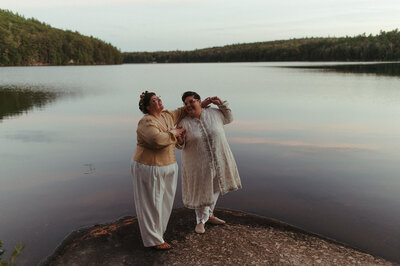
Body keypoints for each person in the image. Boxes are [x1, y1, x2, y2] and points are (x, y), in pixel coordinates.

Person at [177, 91, 242, 234]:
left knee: (216, 186)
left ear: (199, 102)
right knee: (202, 190)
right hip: (198, 164)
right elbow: (179, 145)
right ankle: (200, 221)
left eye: (191, 101)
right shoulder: (184, 123)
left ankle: (210, 215)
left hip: (218, 159)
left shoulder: (214, 113)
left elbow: (229, 118)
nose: (188, 105)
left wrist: (222, 104)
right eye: (186, 103)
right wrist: (180, 141)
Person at [130, 91, 186, 250]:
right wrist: (174, 132)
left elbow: (182, 111)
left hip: (169, 165)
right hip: (149, 166)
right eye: (155, 100)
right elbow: (157, 140)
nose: (159, 100)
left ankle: (159, 233)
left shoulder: (167, 116)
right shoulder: (146, 122)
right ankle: (153, 240)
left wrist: (200, 104)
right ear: (148, 106)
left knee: (165, 202)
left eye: (158, 97)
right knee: (151, 203)